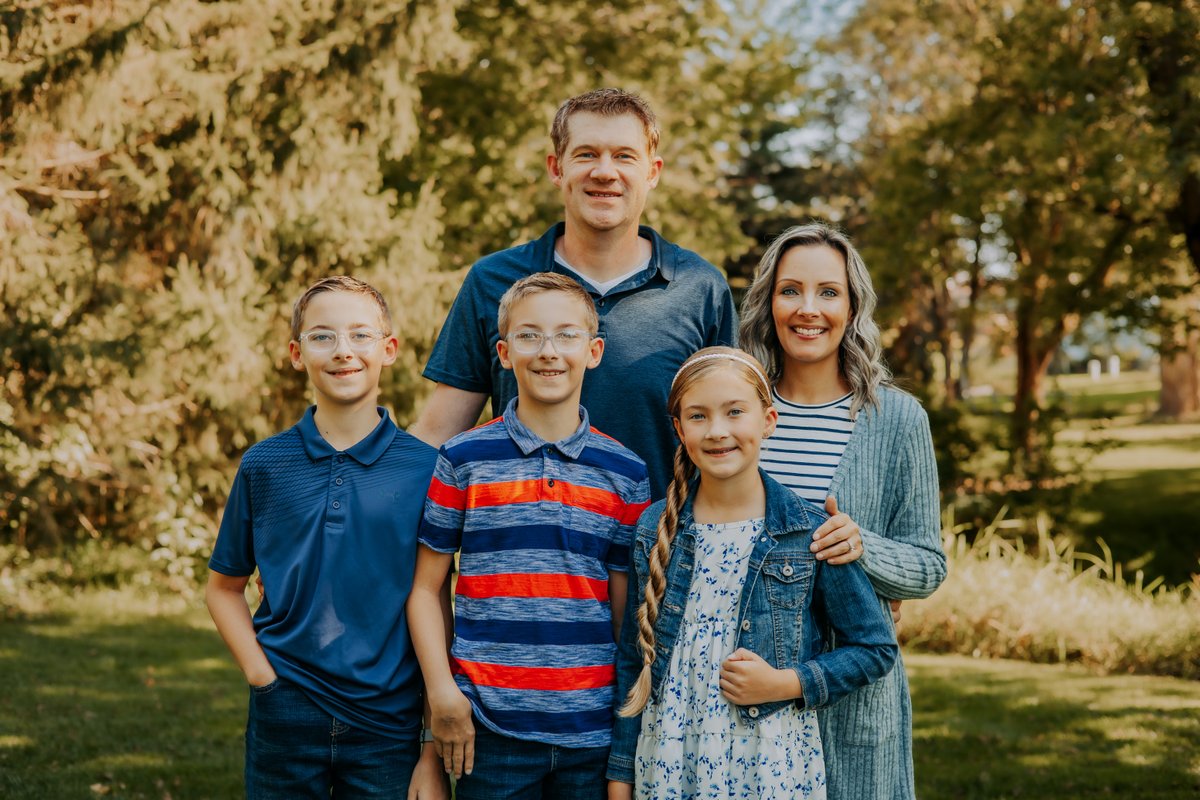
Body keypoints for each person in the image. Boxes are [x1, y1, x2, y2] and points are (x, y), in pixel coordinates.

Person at [410, 87, 736, 499]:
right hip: (518, 535)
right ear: (556, 168)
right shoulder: (493, 280)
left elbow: (734, 438)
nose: (604, 172)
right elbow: (438, 433)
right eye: (586, 154)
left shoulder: (700, 287)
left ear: (652, 172)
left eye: (624, 156)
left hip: (658, 538)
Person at [607, 347, 899, 800]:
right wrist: (621, 776)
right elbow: (634, 659)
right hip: (668, 759)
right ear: (679, 429)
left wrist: (786, 683)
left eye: (735, 412)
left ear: (768, 420)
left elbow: (874, 647)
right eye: (698, 416)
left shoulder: (808, 532)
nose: (717, 431)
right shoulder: (654, 529)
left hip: (769, 764)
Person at [407, 273, 651, 800]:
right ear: (503, 352)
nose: (548, 351)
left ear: (593, 351)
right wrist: (441, 695)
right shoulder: (463, 459)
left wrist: (623, 723)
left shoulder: (626, 472)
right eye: (529, 335)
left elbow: (622, 612)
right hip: (487, 729)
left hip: (590, 730)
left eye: (566, 335)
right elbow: (426, 589)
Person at [206, 277, 445, 799]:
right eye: (322, 336)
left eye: (360, 335)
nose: (343, 351)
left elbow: (435, 600)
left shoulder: (426, 468)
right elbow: (223, 588)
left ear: (389, 349)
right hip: (285, 709)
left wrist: (430, 746)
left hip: (389, 720)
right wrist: (262, 678)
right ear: (297, 354)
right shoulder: (265, 464)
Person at [738, 223, 947, 800]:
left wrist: (862, 547)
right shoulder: (738, 409)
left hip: (855, 695)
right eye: (790, 290)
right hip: (748, 686)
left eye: (828, 292)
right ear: (768, 302)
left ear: (853, 307)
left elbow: (928, 566)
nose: (808, 309)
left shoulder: (897, 419)